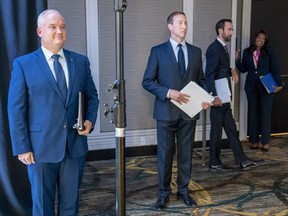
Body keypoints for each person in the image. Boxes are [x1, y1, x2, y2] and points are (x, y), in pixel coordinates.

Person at [7, 9, 99, 215]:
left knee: (70, 205)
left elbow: (92, 96)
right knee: (42, 206)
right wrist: (22, 147)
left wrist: (90, 121)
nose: (59, 31)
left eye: (63, 27)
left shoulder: (81, 62)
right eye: (53, 27)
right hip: (39, 149)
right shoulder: (23, 64)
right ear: (40, 32)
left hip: (74, 147)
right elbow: (15, 109)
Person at [142, 11, 212, 210]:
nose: (184, 26)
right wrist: (167, 92)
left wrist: (205, 98)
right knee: (165, 154)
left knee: (186, 153)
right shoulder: (158, 51)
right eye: (180, 23)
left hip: (189, 112)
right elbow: (147, 82)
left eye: (186, 23)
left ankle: (183, 190)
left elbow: (202, 81)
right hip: (165, 111)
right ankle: (163, 193)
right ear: (170, 26)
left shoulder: (196, 51)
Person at [205, 19, 264, 172]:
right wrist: (213, 96)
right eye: (229, 29)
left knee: (230, 128)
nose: (231, 32)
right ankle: (214, 161)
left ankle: (243, 160)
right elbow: (209, 74)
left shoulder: (222, 47)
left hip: (224, 94)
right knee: (216, 131)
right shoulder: (214, 48)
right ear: (220, 31)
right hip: (218, 96)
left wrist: (231, 70)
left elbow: (220, 67)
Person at [235, 29, 283, 152]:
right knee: (252, 114)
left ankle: (265, 142)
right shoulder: (247, 52)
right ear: (255, 38)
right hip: (251, 86)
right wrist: (237, 60)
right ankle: (253, 141)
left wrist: (280, 84)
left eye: (263, 38)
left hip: (267, 84)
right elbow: (244, 69)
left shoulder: (269, 51)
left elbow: (275, 68)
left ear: (265, 41)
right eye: (258, 37)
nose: (260, 40)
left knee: (265, 114)